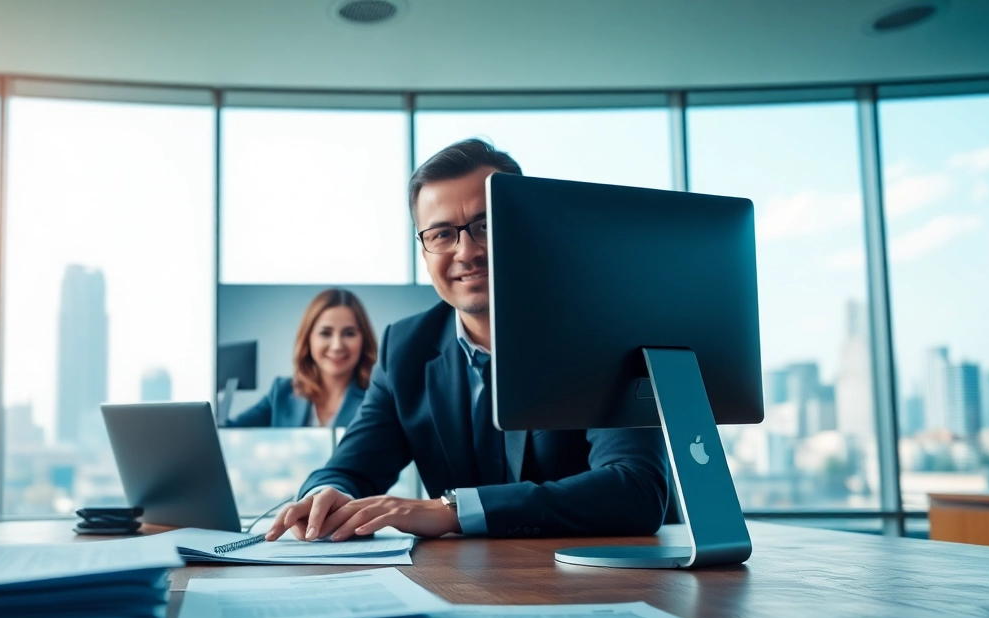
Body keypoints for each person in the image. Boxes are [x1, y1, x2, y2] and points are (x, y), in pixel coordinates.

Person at [267, 139, 669, 542]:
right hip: (465, 585)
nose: (467, 251)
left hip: (606, 582)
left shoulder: (603, 332)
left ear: (530, 228)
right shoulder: (404, 348)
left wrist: (453, 510)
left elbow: (635, 489)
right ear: (424, 252)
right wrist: (325, 496)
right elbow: (350, 469)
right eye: (442, 234)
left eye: (487, 225)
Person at [226, 288, 378, 429]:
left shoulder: (378, 399)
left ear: (363, 339)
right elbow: (227, 433)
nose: (337, 346)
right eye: (325, 333)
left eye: (349, 333)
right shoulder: (282, 392)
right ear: (308, 339)